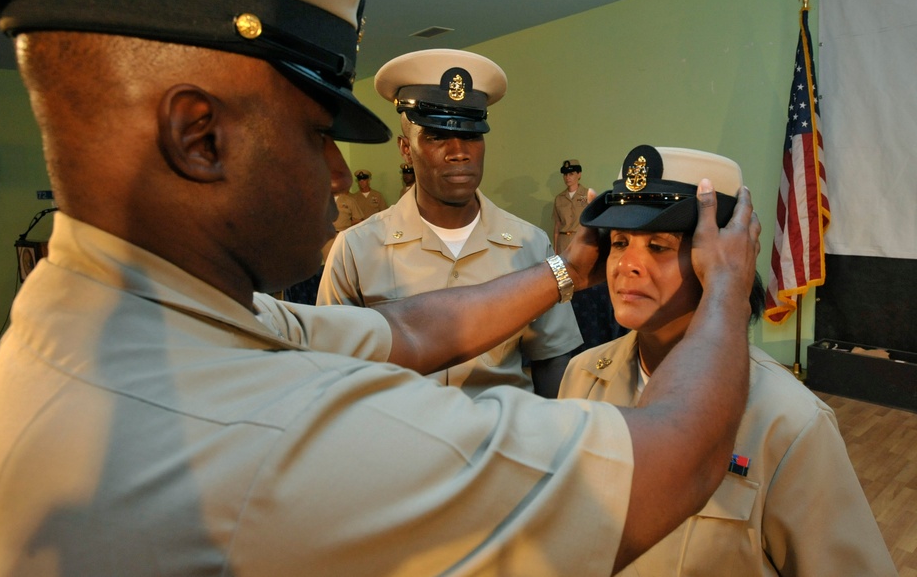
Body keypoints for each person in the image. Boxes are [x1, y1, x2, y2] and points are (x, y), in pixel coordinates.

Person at [0, 0, 762, 577]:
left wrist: (563, 267)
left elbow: (412, 329)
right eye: (312, 133)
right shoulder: (250, 432)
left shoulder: (123, 316)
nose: (336, 172)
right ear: (200, 136)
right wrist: (725, 283)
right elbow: (675, 460)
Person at [559, 144, 897, 577]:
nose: (628, 264)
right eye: (620, 242)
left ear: (722, 257)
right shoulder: (584, 374)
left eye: (659, 246)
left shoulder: (787, 420)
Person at [318, 49, 583, 398]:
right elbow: (329, 369)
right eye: (436, 136)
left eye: (472, 135)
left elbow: (552, 359)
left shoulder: (529, 244)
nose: (459, 151)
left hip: (500, 442)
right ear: (404, 148)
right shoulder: (356, 248)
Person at [554, 157, 627, 351]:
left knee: (587, 294)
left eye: (571, 173)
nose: (568, 177)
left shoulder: (586, 195)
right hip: (564, 242)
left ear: (578, 174)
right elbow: (557, 226)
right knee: (565, 294)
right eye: (565, 174)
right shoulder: (559, 199)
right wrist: (555, 251)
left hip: (582, 242)